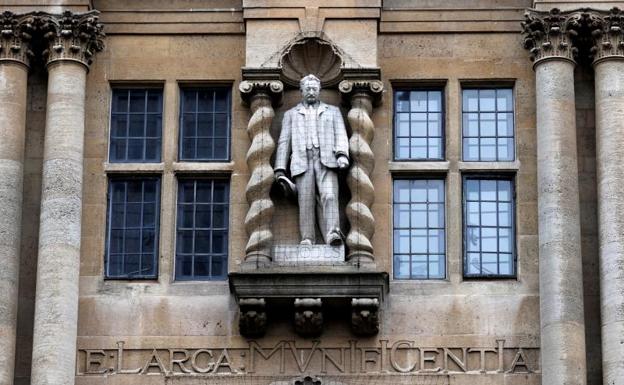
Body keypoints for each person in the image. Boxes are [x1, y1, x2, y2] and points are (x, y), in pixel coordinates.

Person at [274, 74, 350, 246]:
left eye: (314, 89)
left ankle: (333, 234)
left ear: (319, 90)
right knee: (305, 201)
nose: (311, 92)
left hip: (327, 160)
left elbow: (341, 135)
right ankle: (307, 238)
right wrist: (280, 168)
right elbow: (284, 141)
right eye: (307, 89)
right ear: (301, 91)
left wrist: (342, 155)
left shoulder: (333, 111)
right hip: (302, 161)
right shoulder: (291, 114)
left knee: (330, 195)